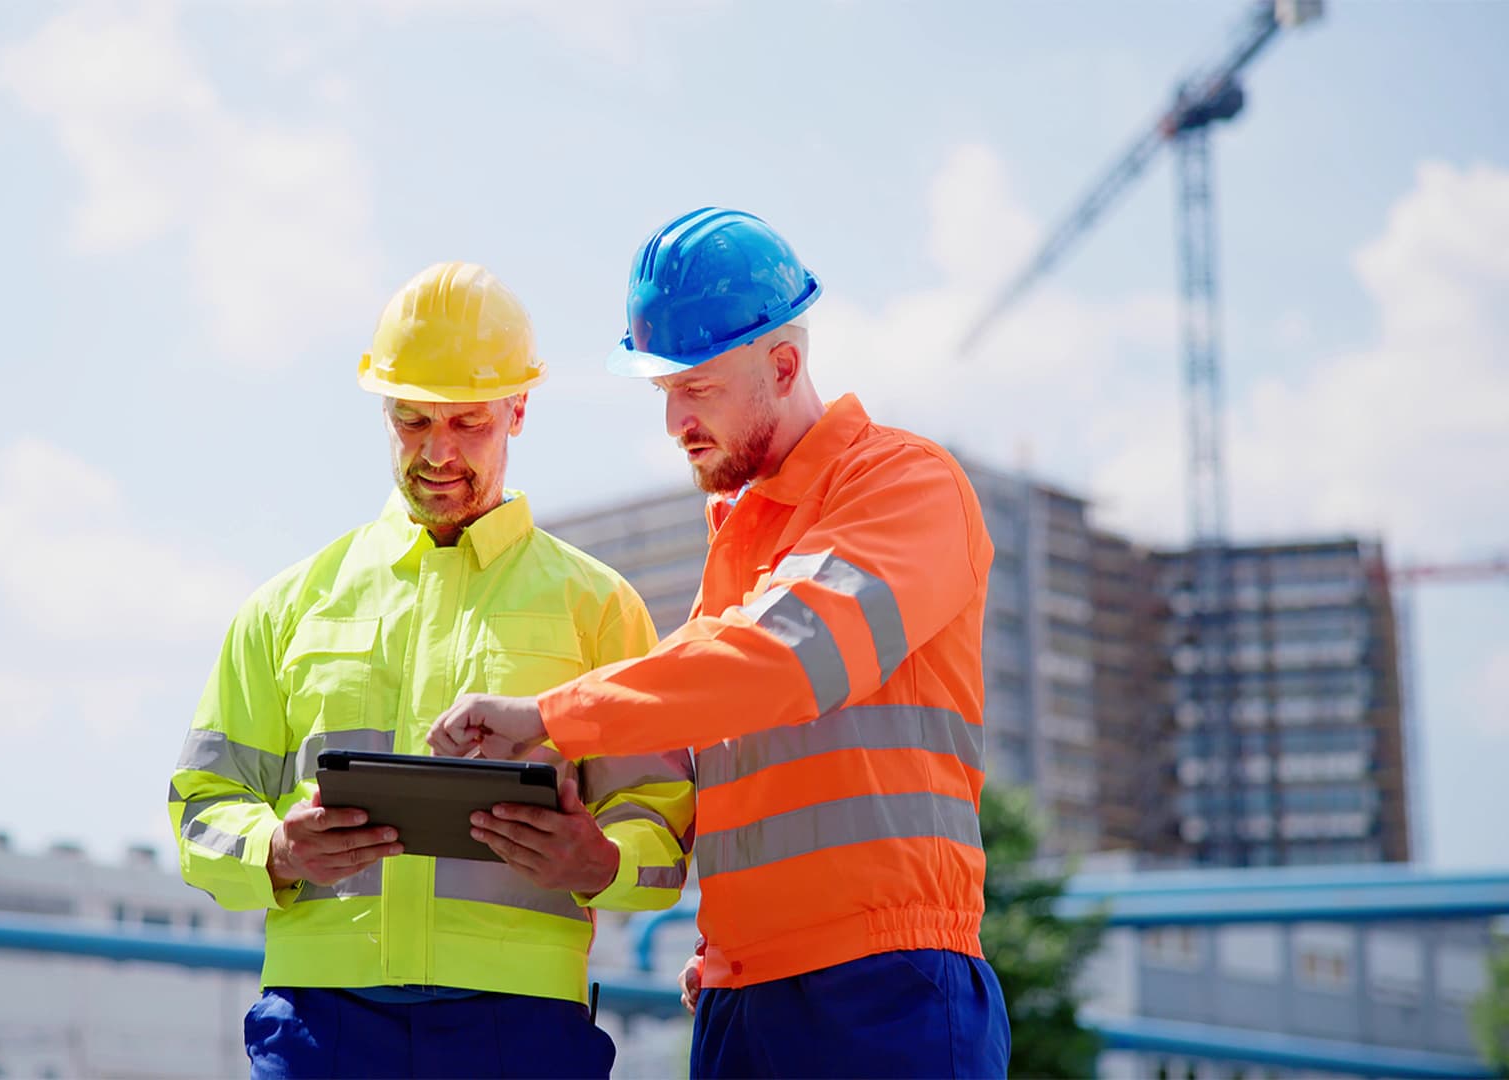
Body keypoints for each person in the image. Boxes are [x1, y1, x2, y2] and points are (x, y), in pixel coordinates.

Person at [428, 209, 1012, 1078]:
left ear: (784, 366)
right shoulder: (739, 545)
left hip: (887, 988)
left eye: (695, 387)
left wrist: (549, 714)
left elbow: (788, 657)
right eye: (662, 391)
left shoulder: (905, 485)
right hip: (747, 993)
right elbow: (743, 775)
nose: (673, 422)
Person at [168, 261, 694, 1079]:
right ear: (384, 410)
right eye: (412, 421)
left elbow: (663, 822)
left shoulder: (601, 609)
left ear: (519, 410)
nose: (437, 453)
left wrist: (600, 862)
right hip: (320, 1023)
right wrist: (275, 848)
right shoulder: (287, 607)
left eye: (468, 424)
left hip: (518, 1028)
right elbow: (199, 805)